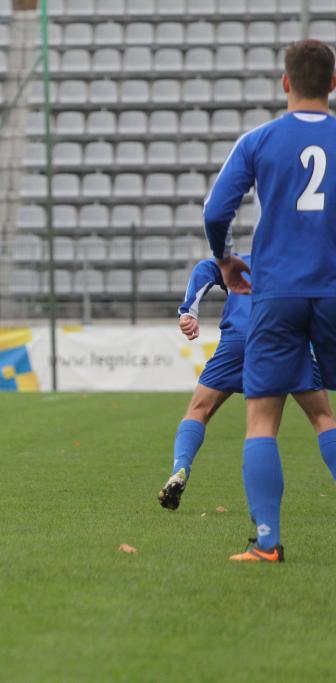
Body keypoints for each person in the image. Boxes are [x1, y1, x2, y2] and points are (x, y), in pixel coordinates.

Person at [204, 39, 336, 561]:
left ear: (285, 82)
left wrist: (224, 258)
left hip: (277, 292)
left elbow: (216, 211)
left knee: (262, 418)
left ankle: (268, 543)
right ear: (333, 84)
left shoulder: (258, 140)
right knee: (324, 415)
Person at [159, 254, 334, 511]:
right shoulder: (302, 260)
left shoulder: (243, 261)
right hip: (286, 341)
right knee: (321, 417)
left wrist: (189, 311)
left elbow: (205, 267)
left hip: (238, 340)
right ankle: (266, 523)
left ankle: (180, 468)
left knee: (199, 409)